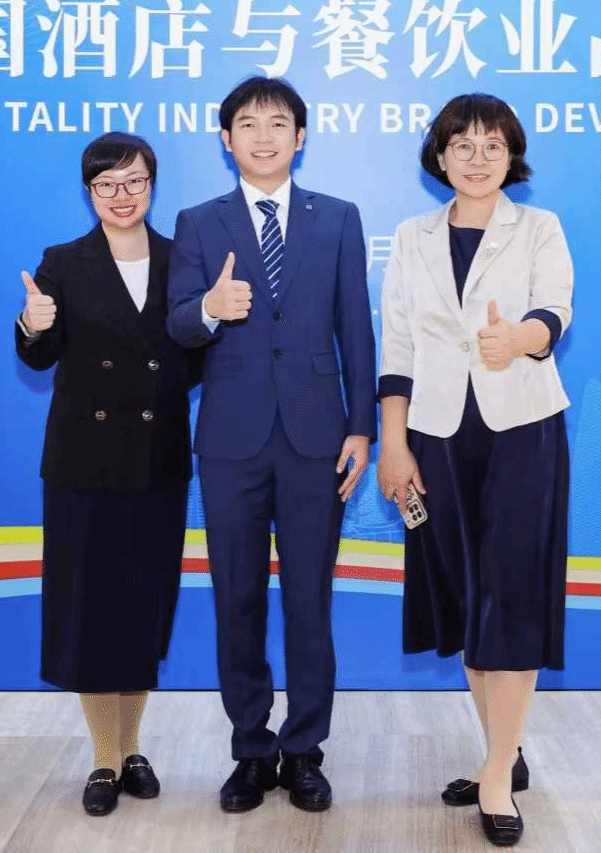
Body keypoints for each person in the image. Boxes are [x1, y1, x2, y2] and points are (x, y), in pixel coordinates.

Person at [166, 76, 376, 814]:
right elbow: (178, 323)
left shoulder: (338, 218)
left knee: (310, 600)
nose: (263, 136)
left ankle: (305, 750)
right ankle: (251, 751)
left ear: (301, 136)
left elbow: (356, 327)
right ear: (226, 139)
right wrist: (209, 308)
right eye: (248, 125)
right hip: (231, 440)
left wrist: (362, 427)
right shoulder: (199, 222)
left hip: (318, 437)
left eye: (278, 123)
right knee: (238, 598)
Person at [375, 94, 574, 848]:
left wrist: (519, 338)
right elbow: (397, 345)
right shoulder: (412, 236)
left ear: (511, 155)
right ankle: (504, 753)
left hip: (522, 429)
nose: (478, 157)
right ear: (440, 157)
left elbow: (556, 311)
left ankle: (495, 775)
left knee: (511, 595)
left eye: (493, 144)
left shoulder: (540, 227)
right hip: (434, 435)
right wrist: (394, 443)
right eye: (463, 144)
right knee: (467, 597)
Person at [14, 133, 202, 818]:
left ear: (153, 184)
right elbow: (40, 357)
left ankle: (131, 747)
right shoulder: (63, 263)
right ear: (89, 191)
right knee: (90, 612)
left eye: (134, 181)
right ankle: (104, 758)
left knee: (142, 609)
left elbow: (195, 358)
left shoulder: (184, 260)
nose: (122, 196)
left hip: (157, 458)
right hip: (84, 463)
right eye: (107, 185)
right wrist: (32, 324)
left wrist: (215, 319)